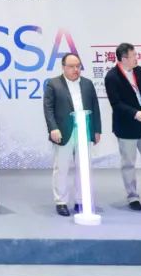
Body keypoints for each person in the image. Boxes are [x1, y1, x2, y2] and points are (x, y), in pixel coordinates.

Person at [103, 43, 141, 210]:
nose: (137, 58)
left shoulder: (139, 71)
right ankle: (133, 197)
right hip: (127, 126)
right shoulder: (111, 77)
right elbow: (116, 103)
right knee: (129, 163)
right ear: (124, 58)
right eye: (134, 55)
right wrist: (134, 113)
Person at [42, 52, 102, 216]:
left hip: (84, 131)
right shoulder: (53, 84)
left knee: (84, 168)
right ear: (63, 67)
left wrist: (97, 130)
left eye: (78, 66)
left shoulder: (88, 84)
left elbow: (95, 107)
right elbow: (48, 109)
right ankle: (61, 201)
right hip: (63, 131)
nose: (76, 69)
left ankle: (81, 201)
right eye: (72, 66)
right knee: (61, 168)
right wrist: (53, 128)